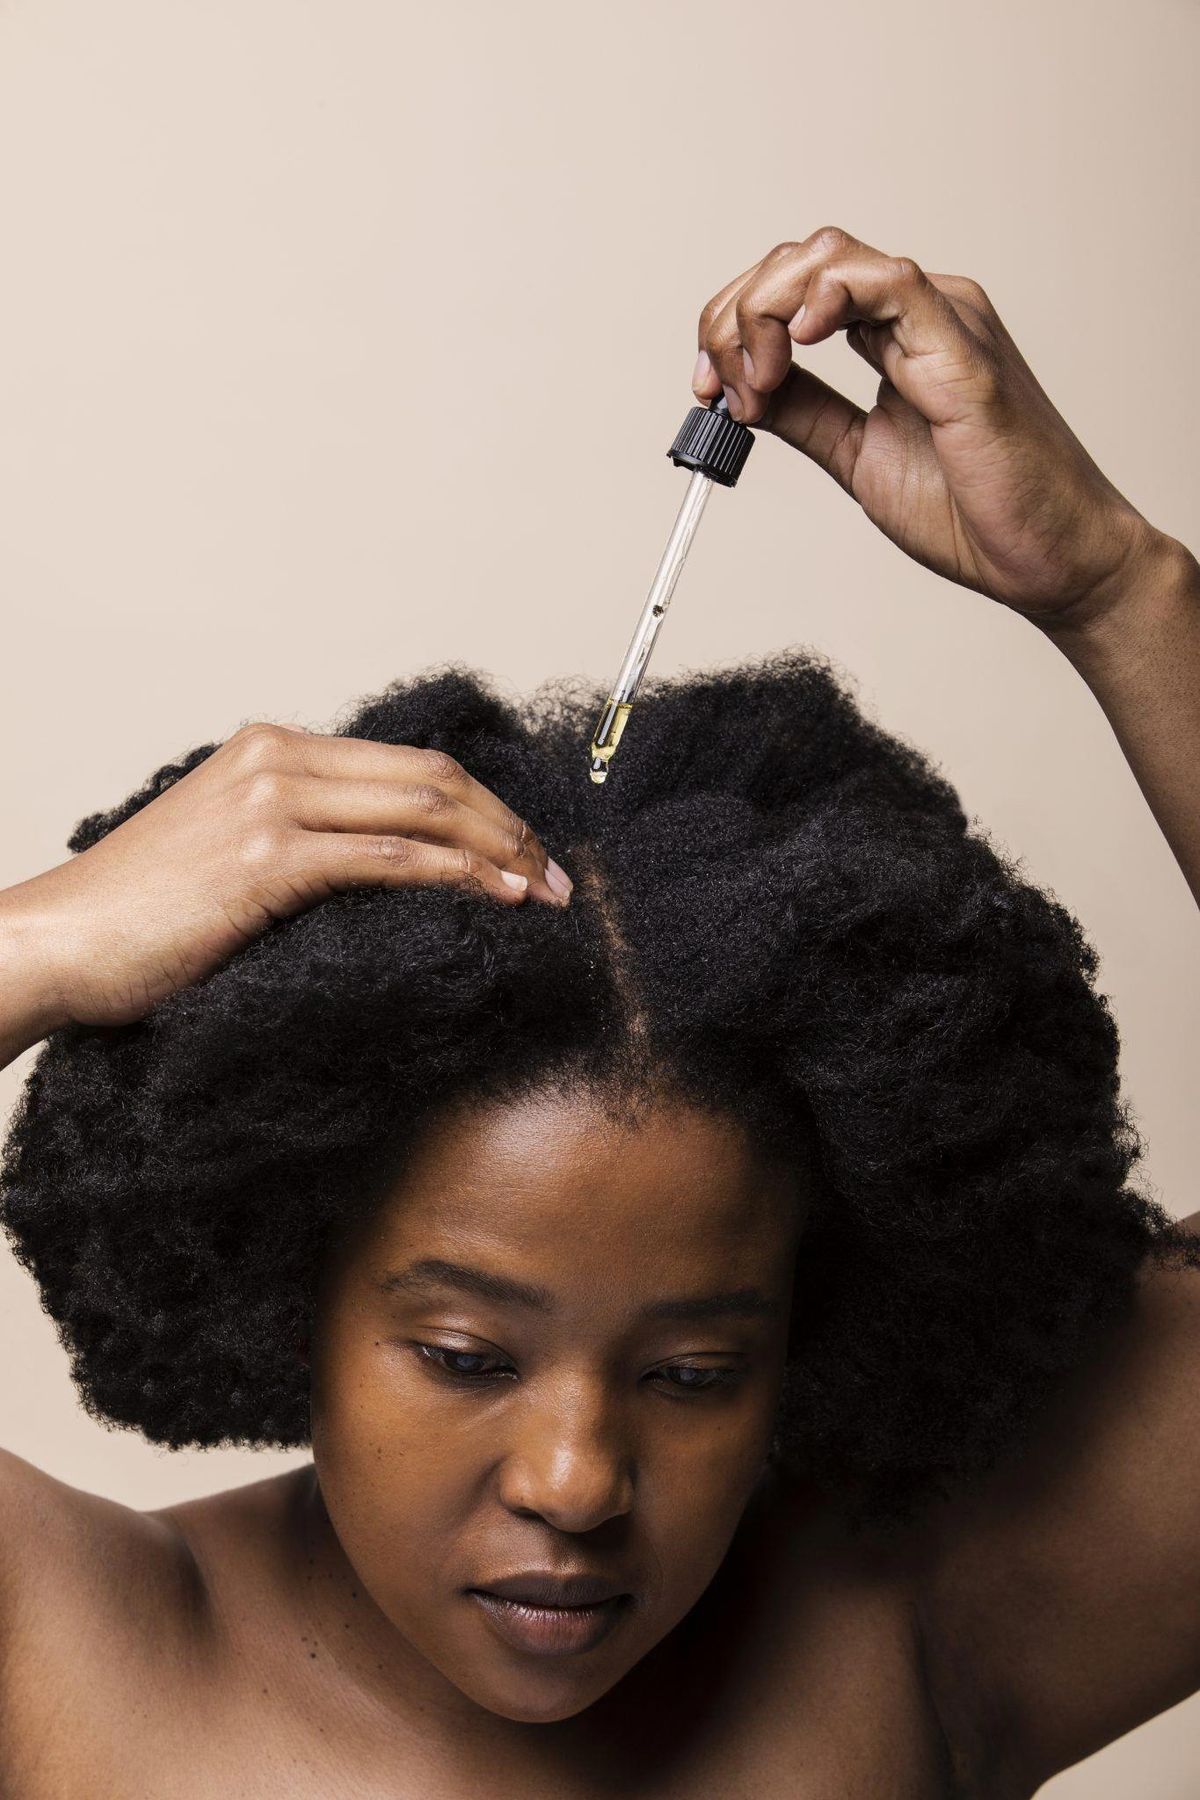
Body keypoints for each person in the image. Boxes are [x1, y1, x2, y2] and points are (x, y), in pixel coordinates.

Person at [0, 226, 1197, 1798]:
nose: (577, 1485)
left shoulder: (919, 1632)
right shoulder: (68, 1658)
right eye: (463, 1353)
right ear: (293, 1286)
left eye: (695, 1372)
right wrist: (35, 941)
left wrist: (1121, 588)